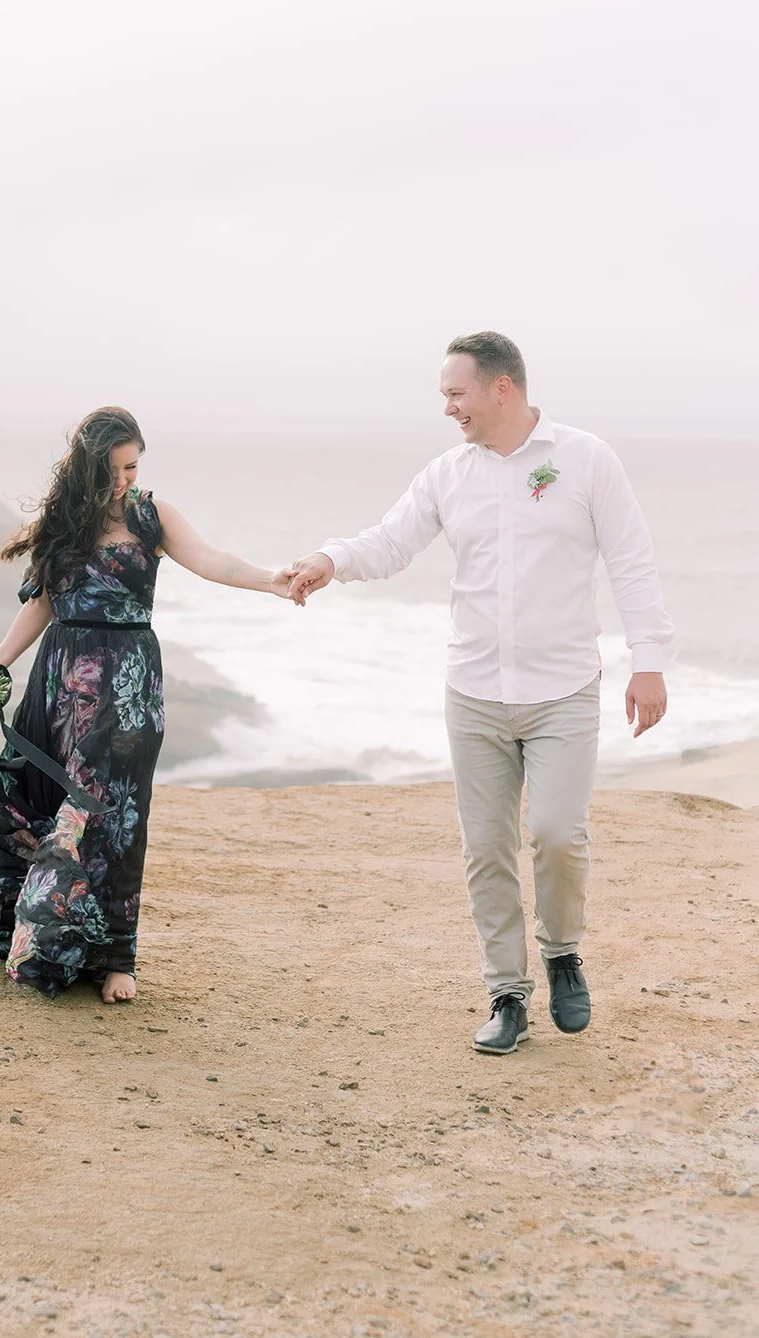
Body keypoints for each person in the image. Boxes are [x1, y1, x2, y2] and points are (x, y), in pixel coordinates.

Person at [287, 332, 673, 1055]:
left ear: (502, 388)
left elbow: (630, 560)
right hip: (472, 692)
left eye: (455, 394)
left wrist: (646, 661)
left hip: (563, 689)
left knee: (558, 833)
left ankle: (560, 951)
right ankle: (506, 994)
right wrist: (331, 559)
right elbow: (391, 540)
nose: (448, 408)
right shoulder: (446, 474)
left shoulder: (585, 459)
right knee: (484, 849)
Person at [0, 406, 292, 1004]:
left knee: (115, 818)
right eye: (115, 469)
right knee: (35, 801)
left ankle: (118, 956)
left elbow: (212, 559)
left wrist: (273, 579)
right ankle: (33, 934)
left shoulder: (151, 515)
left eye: (133, 466)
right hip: (57, 683)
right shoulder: (61, 522)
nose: (126, 480)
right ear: (88, 467)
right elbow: (41, 603)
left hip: (126, 687)